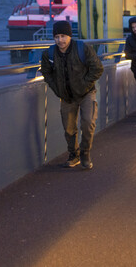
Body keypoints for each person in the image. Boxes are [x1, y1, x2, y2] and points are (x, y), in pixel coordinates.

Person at [40, 20, 104, 170]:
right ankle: (73, 155)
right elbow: (46, 73)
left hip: (86, 93)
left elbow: (98, 68)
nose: (60, 40)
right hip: (66, 96)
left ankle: (85, 153)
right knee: (69, 129)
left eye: (63, 36)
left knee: (88, 123)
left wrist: (83, 85)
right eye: (56, 37)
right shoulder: (48, 54)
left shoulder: (82, 48)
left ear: (69, 35)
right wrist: (57, 89)